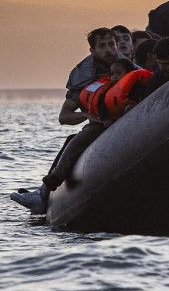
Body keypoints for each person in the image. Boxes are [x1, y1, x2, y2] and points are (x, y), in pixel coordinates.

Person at [11, 29, 120, 213]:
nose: (109, 50)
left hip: (126, 118)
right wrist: (88, 116)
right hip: (99, 125)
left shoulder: (128, 66)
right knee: (74, 139)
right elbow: (64, 116)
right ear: (92, 50)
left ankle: (42, 193)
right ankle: (45, 191)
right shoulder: (85, 78)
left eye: (111, 44)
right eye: (102, 46)